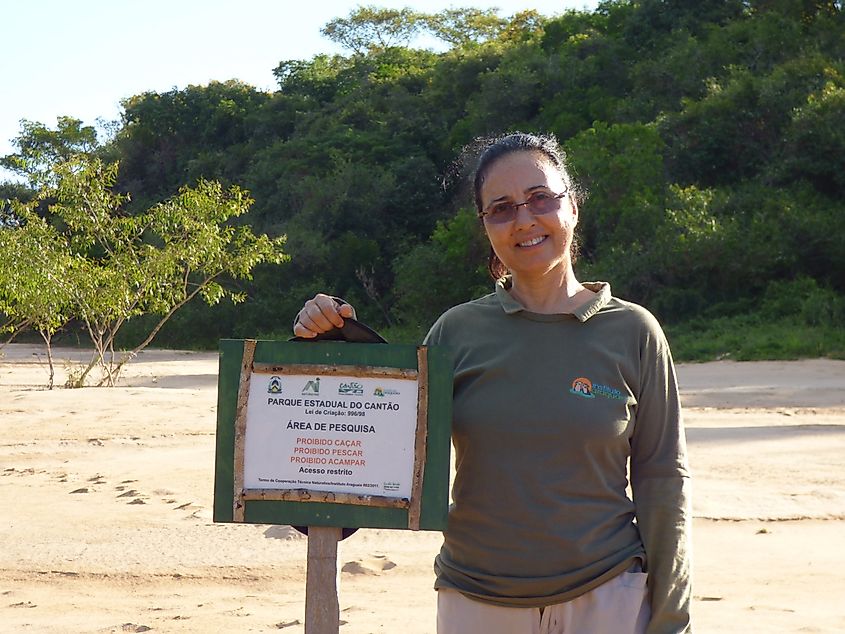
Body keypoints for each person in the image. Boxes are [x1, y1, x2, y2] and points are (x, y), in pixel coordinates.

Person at [293, 132, 692, 634]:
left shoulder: (634, 331)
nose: (524, 219)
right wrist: (326, 346)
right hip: (475, 601)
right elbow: (390, 455)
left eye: (540, 198)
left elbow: (663, 480)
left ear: (572, 205)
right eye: (501, 208)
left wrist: (672, 615)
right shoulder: (456, 332)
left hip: (609, 596)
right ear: (485, 226)